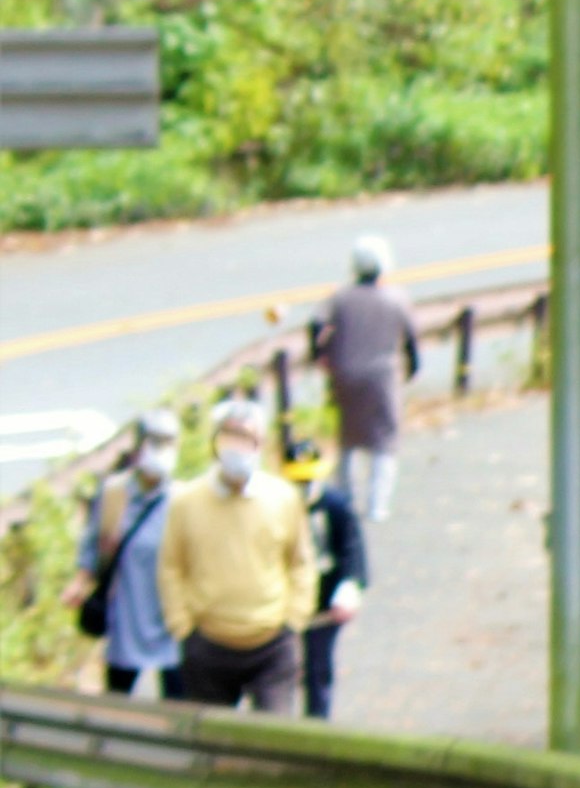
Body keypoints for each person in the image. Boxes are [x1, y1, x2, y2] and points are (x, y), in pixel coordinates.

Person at [159, 397, 315, 712]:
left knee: (274, 740)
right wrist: (182, 625)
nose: (237, 449)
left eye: (246, 438)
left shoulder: (282, 498)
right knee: (213, 743)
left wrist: (294, 619)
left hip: (272, 642)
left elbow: (300, 562)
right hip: (209, 643)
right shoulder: (186, 502)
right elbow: (171, 567)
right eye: (229, 437)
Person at [76, 411, 182, 699]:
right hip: (126, 615)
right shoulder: (114, 494)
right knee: (117, 700)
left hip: (172, 620)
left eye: (168, 443)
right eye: (155, 442)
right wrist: (80, 581)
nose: (162, 451)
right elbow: (91, 547)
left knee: (178, 702)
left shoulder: (183, 499)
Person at [320, 238, 421, 523]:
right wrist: (412, 369)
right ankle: (378, 505)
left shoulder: (339, 298)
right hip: (382, 378)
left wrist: (322, 354)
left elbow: (317, 324)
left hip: (345, 375)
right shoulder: (396, 298)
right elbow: (411, 340)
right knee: (384, 441)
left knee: (347, 440)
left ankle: (346, 500)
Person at [284, 439, 369, 719]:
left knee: (318, 668)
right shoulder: (277, 507)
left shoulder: (335, 505)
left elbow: (353, 551)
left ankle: (316, 723)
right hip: (284, 604)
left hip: (323, 606)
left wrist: (349, 587)